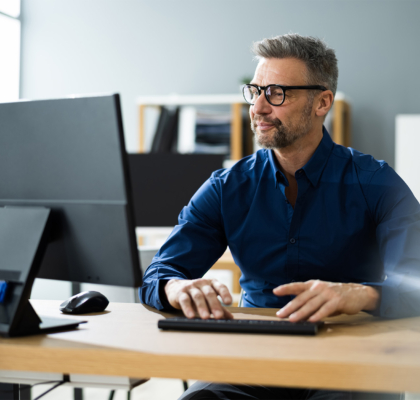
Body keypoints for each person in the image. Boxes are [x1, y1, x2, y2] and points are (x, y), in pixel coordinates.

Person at [139, 34, 420, 400]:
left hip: (352, 356)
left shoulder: (377, 182)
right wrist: (177, 287)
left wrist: (362, 295)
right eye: (254, 91)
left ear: (322, 102)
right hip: (254, 358)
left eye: (276, 93)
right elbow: (158, 274)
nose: (257, 107)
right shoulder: (227, 187)